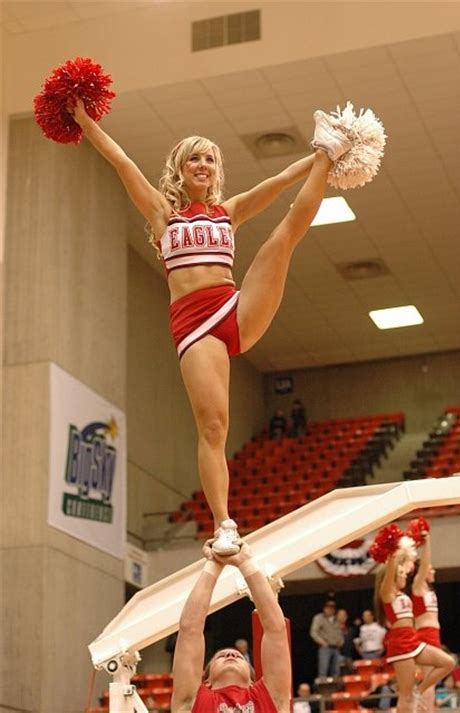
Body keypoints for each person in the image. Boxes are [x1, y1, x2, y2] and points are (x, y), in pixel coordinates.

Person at [70, 98, 354, 555]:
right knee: (214, 427)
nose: (202, 164)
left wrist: (320, 156)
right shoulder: (163, 214)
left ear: (215, 170)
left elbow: (281, 181)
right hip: (196, 326)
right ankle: (224, 524)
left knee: (284, 238)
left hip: (234, 308)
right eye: (194, 158)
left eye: (209, 158)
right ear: (179, 170)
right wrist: (85, 122)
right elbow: (122, 163)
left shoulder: (230, 211)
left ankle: (328, 149)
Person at [171, 540, 291, 712]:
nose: (230, 653)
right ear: (207, 681)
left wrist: (246, 562)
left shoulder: (270, 697)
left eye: (239, 656)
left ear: (252, 680)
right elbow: (190, 630)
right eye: (220, 657)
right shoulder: (191, 701)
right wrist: (213, 564)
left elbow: (276, 630)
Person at [374, 553, 454, 713]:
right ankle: (414, 695)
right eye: (401, 573)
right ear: (393, 576)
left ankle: (419, 691)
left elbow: (412, 565)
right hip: (401, 644)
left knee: (448, 662)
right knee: (406, 695)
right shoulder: (387, 593)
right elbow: (389, 573)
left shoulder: (401, 593)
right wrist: (391, 556)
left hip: (413, 640)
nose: (405, 575)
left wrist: (405, 554)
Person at [411, 528, 443, 713]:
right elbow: (425, 564)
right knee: (430, 678)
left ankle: (424, 708)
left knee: (431, 679)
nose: (433, 569)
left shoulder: (429, 590)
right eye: (431, 568)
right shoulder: (418, 585)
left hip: (433, 635)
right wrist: (427, 542)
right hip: (425, 635)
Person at [309, 599, 344, 678]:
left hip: (336, 648)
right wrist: (322, 642)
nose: (330, 609)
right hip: (325, 648)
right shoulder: (319, 618)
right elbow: (313, 632)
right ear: (324, 608)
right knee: (323, 670)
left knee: (336, 670)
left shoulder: (337, 619)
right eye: (328, 607)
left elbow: (340, 632)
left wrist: (341, 642)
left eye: (332, 608)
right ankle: (322, 688)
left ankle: (336, 688)